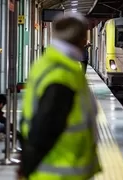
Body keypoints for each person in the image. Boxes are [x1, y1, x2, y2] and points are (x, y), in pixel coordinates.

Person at [18, 12, 101, 180]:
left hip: (60, 167)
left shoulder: (48, 63)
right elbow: (44, 126)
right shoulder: (62, 74)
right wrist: (26, 169)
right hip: (59, 170)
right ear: (80, 38)